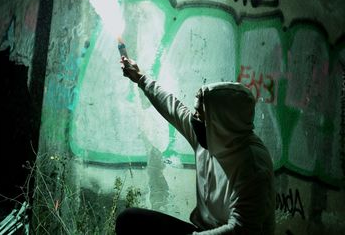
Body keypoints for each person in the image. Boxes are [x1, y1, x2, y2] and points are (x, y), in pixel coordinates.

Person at [115, 55, 276, 235]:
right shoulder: (209, 136)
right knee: (129, 220)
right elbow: (173, 108)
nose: (193, 119)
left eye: (199, 115)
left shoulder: (253, 166)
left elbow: (241, 229)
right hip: (202, 231)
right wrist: (140, 78)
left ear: (221, 121)